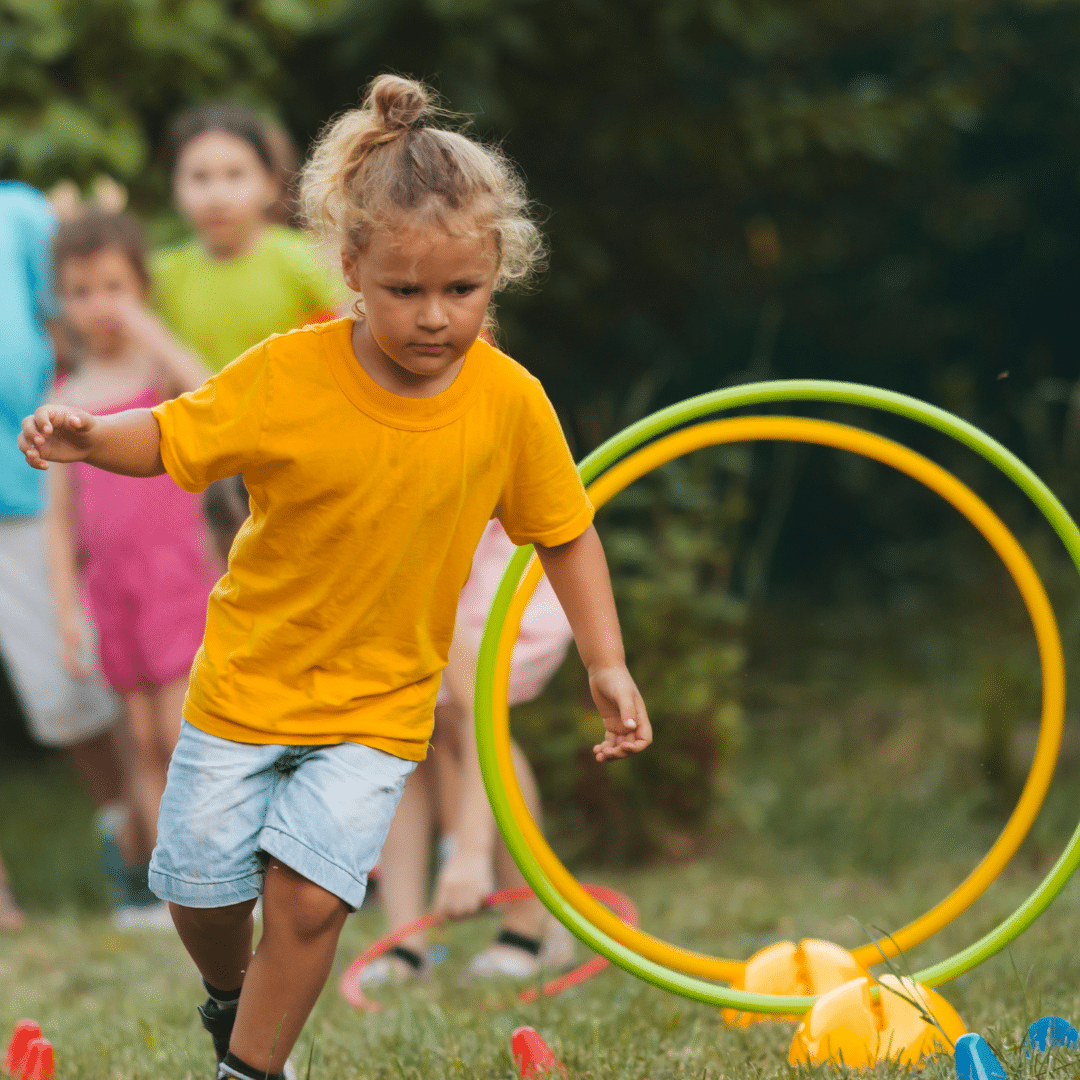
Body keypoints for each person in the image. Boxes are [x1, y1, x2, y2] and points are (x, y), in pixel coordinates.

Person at [18, 73, 652, 1080]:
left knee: (311, 898)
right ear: (351, 268)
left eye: (464, 289)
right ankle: (230, 1000)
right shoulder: (290, 372)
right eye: (406, 290)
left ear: (498, 271)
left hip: (380, 700)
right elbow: (179, 437)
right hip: (246, 683)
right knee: (199, 888)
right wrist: (94, 435)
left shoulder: (508, 401)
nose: (437, 317)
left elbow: (566, 532)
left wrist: (607, 663)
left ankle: (253, 1067)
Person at [47, 209, 216, 928]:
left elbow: (212, 396)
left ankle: (216, 877)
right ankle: (162, 887)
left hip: (177, 577)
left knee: (183, 735)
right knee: (141, 740)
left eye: (115, 286)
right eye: (82, 290)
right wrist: (65, 612)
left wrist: (151, 329)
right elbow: (59, 524)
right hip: (110, 590)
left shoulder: (158, 373)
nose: (100, 305)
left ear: (142, 287)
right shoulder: (65, 393)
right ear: (61, 300)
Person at [369, 518, 576, 983]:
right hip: (411, 546)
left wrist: (470, 853)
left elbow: (479, 712)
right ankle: (405, 941)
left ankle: (531, 926)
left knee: (460, 716)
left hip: (460, 549)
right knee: (399, 730)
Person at [0, 182, 123, 929]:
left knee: (69, 690)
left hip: (25, 489)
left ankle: (136, 846)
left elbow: (70, 338)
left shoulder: (20, 215)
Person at [153, 102, 351, 558]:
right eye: (199, 178)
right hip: (205, 466)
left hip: (296, 458)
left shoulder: (302, 260)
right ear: (176, 188)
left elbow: (349, 330)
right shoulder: (164, 275)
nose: (216, 194)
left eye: (234, 175)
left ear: (269, 183)